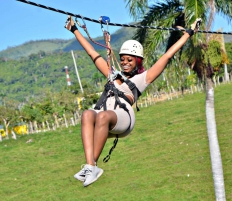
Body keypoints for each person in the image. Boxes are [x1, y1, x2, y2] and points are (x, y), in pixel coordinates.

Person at [64, 16, 201, 187]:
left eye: (130, 60)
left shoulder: (143, 78)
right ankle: (88, 165)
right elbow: (92, 53)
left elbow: (167, 56)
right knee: (87, 114)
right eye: (123, 59)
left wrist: (188, 33)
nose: (125, 63)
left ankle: (93, 166)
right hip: (105, 113)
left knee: (103, 117)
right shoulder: (112, 74)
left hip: (123, 117)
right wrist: (74, 30)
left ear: (137, 61)